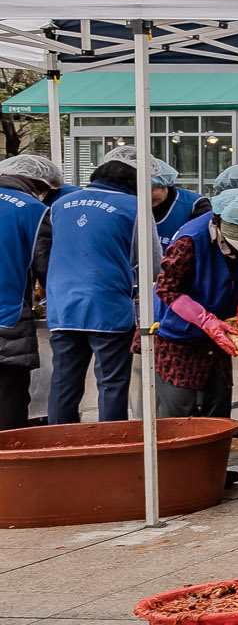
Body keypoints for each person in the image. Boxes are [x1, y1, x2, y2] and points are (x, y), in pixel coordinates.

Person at [155, 188, 238, 484]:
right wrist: (205, 320)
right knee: (179, 408)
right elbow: (167, 288)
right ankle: (177, 478)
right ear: (220, 225)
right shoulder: (190, 240)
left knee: (218, 404)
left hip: (221, 332)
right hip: (179, 334)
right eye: (233, 246)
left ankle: (211, 473)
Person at [33, 155, 144, 424]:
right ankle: (110, 446)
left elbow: (44, 249)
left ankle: (61, 446)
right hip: (109, 306)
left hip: (63, 306)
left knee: (63, 382)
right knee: (111, 383)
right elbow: (150, 261)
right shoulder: (134, 206)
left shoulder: (58, 205)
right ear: (132, 183)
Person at [0, 155, 60, 430]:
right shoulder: (34, 210)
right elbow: (46, 269)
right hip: (6, 315)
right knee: (8, 395)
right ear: (41, 186)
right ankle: (11, 463)